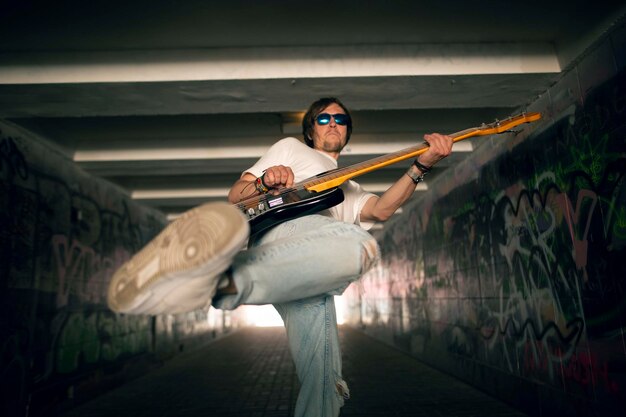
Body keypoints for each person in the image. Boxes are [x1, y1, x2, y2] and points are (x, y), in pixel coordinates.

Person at [107, 97, 453, 417]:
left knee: (325, 382)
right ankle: (224, 280)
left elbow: (382, 210)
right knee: (360, 245)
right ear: (310, 129)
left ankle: (217, 282)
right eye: (324, 118)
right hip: (284, 234)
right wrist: (264, 182)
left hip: (303, 271)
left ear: (347, 130)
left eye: (340, 119)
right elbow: (235, 195)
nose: (333, 123)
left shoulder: (349, 186)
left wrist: (421, 166)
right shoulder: (290, 149)